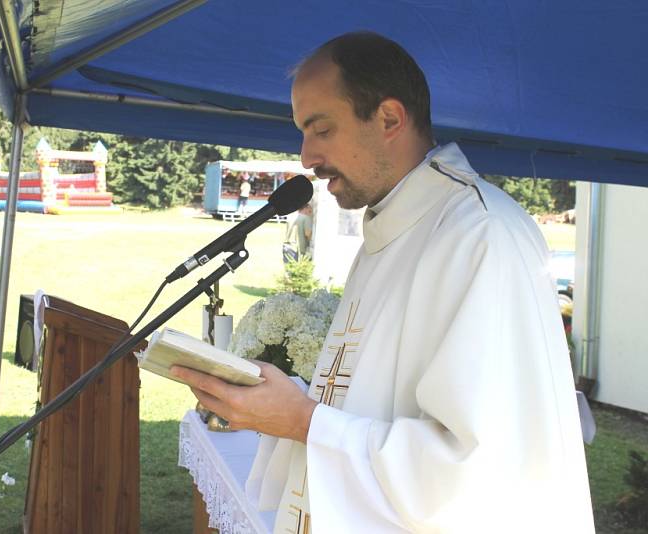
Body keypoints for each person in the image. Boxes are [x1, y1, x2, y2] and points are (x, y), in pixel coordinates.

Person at [173, 31, 594, 533]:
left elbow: (479, 470)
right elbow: (378, 396)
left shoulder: (480, 236)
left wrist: (304, 420)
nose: (305, 156)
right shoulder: (392, 229)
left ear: (390, 119)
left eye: (321, 129)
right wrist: (283, 399)